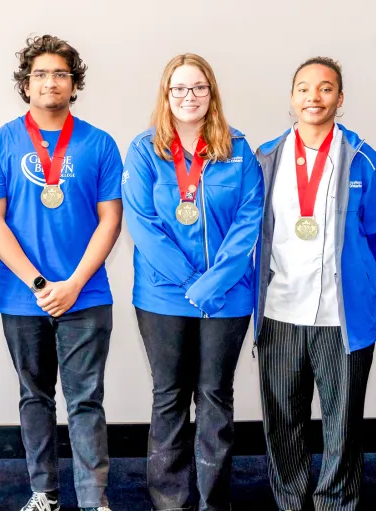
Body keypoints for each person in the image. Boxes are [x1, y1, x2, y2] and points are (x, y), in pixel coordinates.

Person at [0, 34, 123, 511]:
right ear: (25, 84)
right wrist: (40, 284)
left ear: (74, 83)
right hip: (23, 297)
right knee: (34, 397)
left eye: (61, 73)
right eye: (40, 74)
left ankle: (93, 499)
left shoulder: (99, 143)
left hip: (87, 294)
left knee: (85, 401)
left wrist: (74, 283)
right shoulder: (0, 143)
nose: (50, 82)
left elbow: (111, 219)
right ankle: (44, 493)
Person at [253, 56, 376, 511]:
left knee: (343, 422)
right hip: (279, 310)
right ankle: (292, 502)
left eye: (325, 88)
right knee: (282, 420)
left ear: (340, 98)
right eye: (303, 88)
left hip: (342, 316)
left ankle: (336, 502)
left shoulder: (363, 158)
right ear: (291, 98)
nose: (313, 97)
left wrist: (351, 273)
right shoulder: (265, 157)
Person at [121, 53, 264, 511]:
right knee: (169, 398)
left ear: (212, 93)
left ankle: (212, 502)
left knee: (215, 398)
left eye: (199, 87)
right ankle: (171, 502)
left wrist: (212, 283)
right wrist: (190, 282)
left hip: (226, 297)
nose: (189, 96)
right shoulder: (144, 150)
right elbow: (142, 225)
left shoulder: (239, 150)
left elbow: (249, 222)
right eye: (179, 88)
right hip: (163, 297)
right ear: (166, 94)